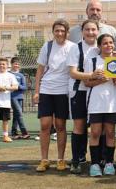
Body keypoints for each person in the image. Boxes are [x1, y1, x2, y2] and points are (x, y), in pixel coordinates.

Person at [34, 19, 75, 172]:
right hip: (46, 89)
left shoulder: (73, 47)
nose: (59, 33)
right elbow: (40, 70)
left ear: (67, 33)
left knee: (60, 126)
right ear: (53, 32)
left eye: (62, 31)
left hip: (63, 91)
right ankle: (44, 159)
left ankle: (60, 159)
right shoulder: (47, 46)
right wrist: (37, 91)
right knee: (45, 125)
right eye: (57, 30)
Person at [67, 19, 104, 174]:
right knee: (80, 126)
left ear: (98, 31)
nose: (90, 32)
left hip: (98, 92)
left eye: (93, 29)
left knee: (99, 128)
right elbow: (73, 72)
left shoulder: (101, 48)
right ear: (82, 32)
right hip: (80, 92)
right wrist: (91, 75)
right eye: (87, 29)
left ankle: (101, 159)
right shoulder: (76, 48)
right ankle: (77, 159)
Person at [84, 34, 116, 177]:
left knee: (111, 133)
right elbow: (86, 83)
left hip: (112, 103)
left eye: (111, 43)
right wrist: (102, 80)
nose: (108, 45)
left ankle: (109, 163)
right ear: (99, 46)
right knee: (95, 133)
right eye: (105, 43)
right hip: (96, 102)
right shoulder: (92, 61)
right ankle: (94, 164)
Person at [9, 57, 30, 140]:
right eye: (15, 64)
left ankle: (14, 133)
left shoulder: (21, 75)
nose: (16, 65)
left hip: (20, 97)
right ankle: (24, 132)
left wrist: (17, 86)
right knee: (19, 113)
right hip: (12, 96)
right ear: (11, 64)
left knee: (16, 115)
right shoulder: (8, 74)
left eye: (18, 64)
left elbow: (24, 87)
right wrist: (12, 87)